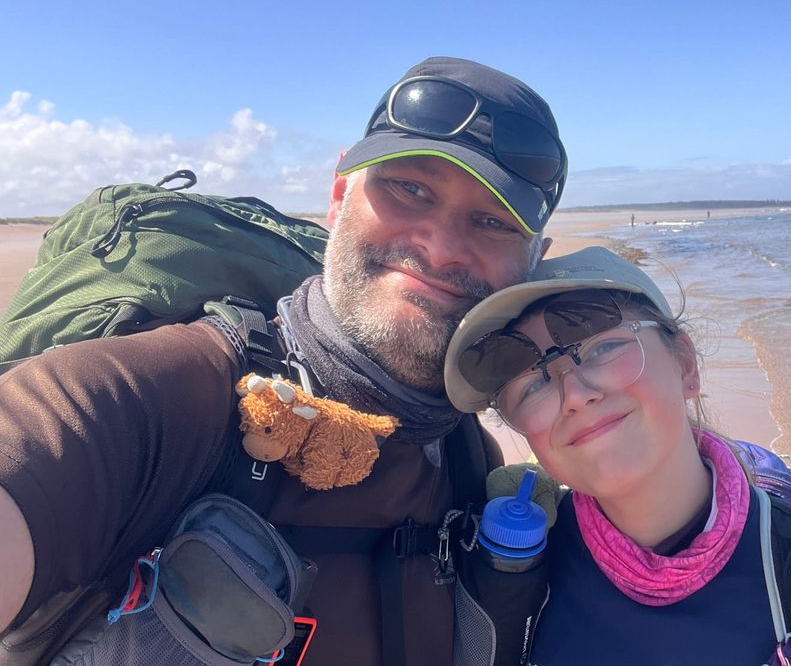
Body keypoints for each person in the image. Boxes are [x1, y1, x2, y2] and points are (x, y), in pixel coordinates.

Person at [0, 56, 567, 666]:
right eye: (410, 189)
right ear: (338, 198)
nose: (441, 246)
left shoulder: (463, 454)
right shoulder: (153, 401)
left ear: (534, 261)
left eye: (491, 222)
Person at [444, 247, 791, 665]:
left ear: (686, 365)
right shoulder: (512, 582)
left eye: (602, 347)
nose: (574, 393)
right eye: (532, 382)